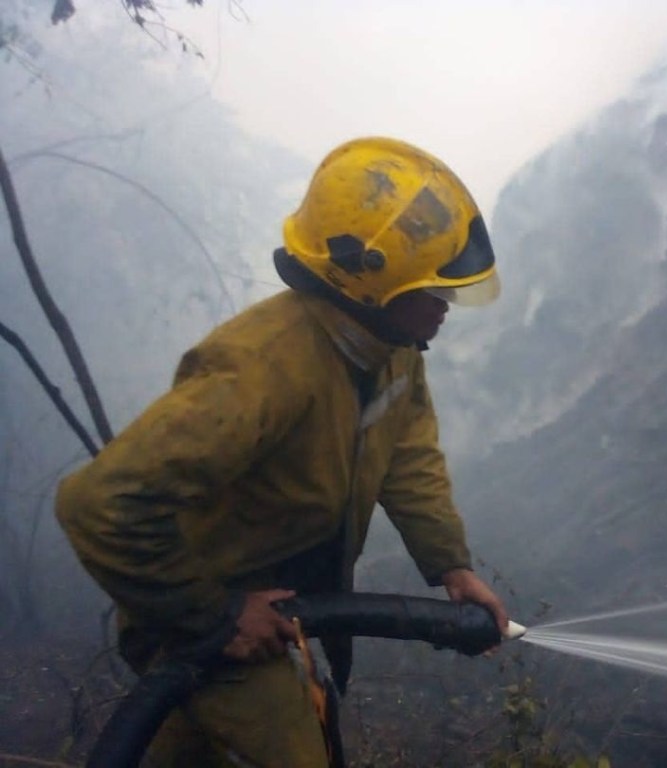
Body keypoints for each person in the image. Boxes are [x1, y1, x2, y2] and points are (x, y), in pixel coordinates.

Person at [55, 137, 509, 767]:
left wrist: (451, 565)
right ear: (372, 281)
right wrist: (215, 615)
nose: (445, 306)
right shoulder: (262, 368)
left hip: (278, 611)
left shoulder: (391, 351)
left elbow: (408, 456)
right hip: (204, 616)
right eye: (433, 290)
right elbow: (98, 503)